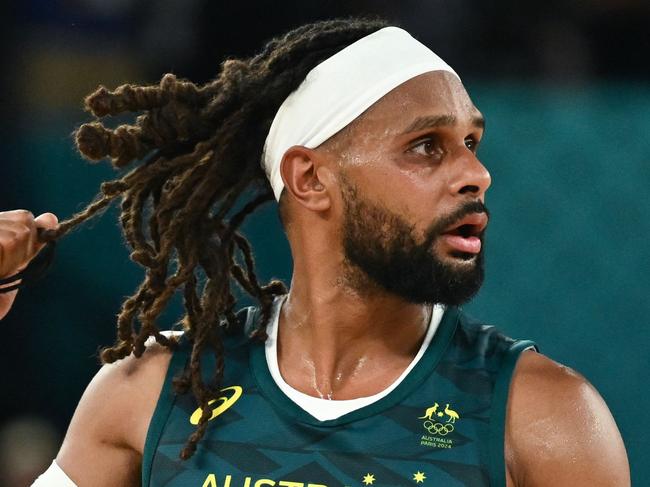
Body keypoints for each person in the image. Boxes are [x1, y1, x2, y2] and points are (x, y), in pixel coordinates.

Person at [0, 18, 629, 487]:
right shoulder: (150, 391)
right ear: (309, 179)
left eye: (471, 141)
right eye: (426, 147)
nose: (476, 174)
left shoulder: (544, 420)